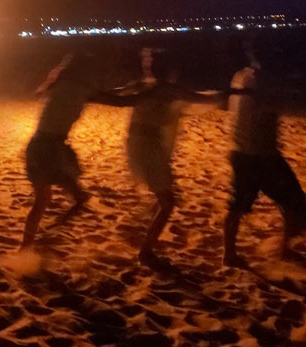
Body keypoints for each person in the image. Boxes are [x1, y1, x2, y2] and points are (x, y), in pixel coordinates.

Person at [92, 49, 222, 264]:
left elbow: (117, 97)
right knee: (167, 202)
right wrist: (234, 94)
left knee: (163, 197)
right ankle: (146, 251)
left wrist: (92, 94)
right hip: (148, 147)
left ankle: (147, 242)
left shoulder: (145, 87)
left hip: (138, 144)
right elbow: (203, 99)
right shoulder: (165, 90)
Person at [223, 44, 306, 267]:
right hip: (261, 155)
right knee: (295, 202)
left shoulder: (240, 75)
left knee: (238, 206)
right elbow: (269, 106)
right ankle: (284, 249)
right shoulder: (266, 80)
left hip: (240, 150)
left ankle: (230, 254)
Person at [20, 53, 98, 249]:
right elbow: (115, 99)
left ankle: (29, 246)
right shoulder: (76, 88)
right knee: (78, 198)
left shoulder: (59, 87)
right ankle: (47, 235)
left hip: (39, 147)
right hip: (49, 151)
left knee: (43, 201)